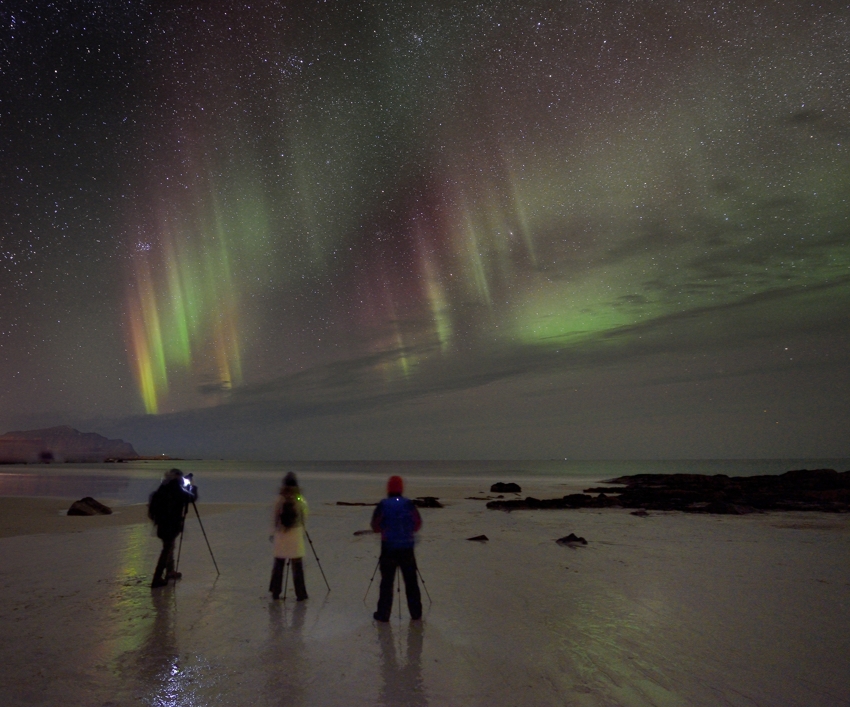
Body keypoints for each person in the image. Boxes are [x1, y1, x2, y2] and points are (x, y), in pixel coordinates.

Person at [371, 475, 422, 622]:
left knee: (387, 582)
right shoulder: (408, 504)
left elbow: (375, 526)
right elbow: (417, 524)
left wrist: (385, 530)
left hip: (388, 548)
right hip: (406, 548)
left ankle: (383, 613)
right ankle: (416, 613)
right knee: (411, 582)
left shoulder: (384, 504)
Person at [148, 468, 197, 589]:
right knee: (167, 550)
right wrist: (192, 486)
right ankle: (157, 577)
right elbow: (191, 498)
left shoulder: (163, 487)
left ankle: (170, 572)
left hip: (161, 523)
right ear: (177, 477)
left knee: (169, 547)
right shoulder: (175, 489)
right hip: (171, 524)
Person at [269, 472, 309, 601]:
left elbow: (274, 518)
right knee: (297, 567)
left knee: (279, 564)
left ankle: (275, 591)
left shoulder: (279, 500)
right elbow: (305, 516)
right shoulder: (300, 500)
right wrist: (303, 530)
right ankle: (301, 594)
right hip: (296, 536)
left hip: (281, 536)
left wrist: (273, 533)